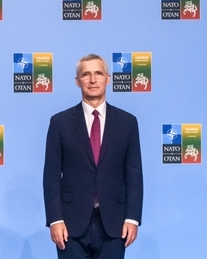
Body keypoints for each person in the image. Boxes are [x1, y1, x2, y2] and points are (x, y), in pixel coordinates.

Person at [43, 54, 143, 259]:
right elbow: (51, 176)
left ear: (108, 78)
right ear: (77, 81)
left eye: (98, 73)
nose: (92, 79)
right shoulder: (60, 122)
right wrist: (55, 219)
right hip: (70, 226)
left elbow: (134, 174)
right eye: (86, 74)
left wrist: (132, 218)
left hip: (114, 225)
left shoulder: (127, 122)